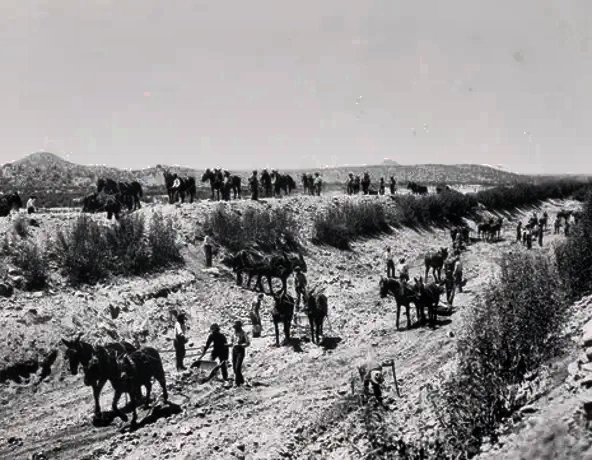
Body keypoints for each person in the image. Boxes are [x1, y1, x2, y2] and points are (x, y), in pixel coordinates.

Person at [230, 320, 250, 386]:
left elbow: (248, 343)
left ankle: (236, 382)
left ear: (240, 327)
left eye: (237, 327)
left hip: (240, 351)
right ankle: (241, 381)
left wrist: (242, 345)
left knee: (238, 367)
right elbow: (231, 342)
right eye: (235, 327)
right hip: (234, 350)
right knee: (234, 368)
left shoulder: (243, 333)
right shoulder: (233, 333)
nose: (235, 328)